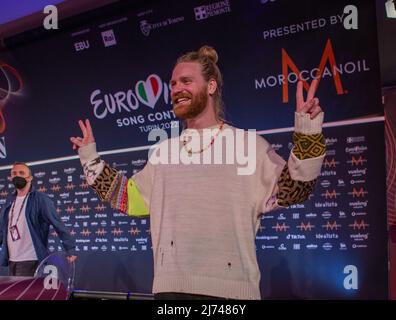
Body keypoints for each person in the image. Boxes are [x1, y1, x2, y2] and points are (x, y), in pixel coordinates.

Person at [70, 45, 325, 299]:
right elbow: (129, 197)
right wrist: (90, 158)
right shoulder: (164, 152)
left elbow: (295, 190)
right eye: (172, 83)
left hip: (231, 295)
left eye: (186, 81)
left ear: (211, 86)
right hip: (171, 292)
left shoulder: (248, 145)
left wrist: (309, 132)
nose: (176, 89)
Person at [0, 162, 77, 276]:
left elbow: (58, 224)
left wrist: (70, 248)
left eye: (21, 173)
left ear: (30, 178)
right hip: (11, 260)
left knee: (26, 294)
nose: (17, 176)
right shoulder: (9, 201)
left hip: (31, 260)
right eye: (14, 173)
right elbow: (2, 230)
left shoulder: (41, 199)